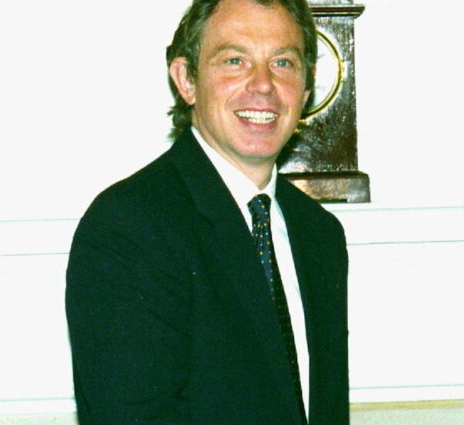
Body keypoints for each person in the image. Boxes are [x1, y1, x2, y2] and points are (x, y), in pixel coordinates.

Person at [65, 0, 348, 424]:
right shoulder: (129, 226)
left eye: (283, 63)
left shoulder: (320, 233)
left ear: (305, 91)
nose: (264, 84)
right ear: (186, 80)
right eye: (235, 61)